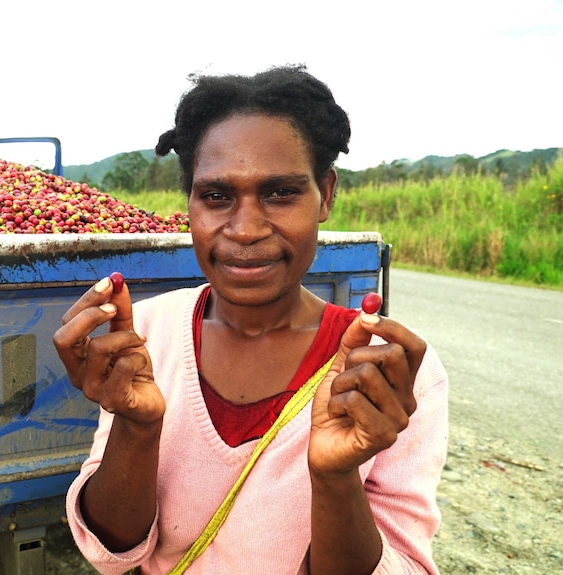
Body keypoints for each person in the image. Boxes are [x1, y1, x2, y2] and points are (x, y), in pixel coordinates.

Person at [53, 64, 449, 575]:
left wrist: (334, 477)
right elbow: (112, 552)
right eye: (217, 196)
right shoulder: (145, 336)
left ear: (325, 194)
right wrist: (137, 423)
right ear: (190, 204)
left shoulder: (387, 372)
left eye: (280, 193)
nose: (245, 230)